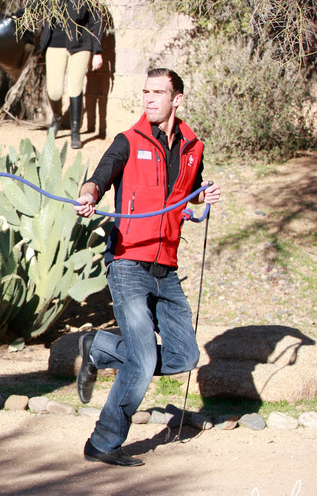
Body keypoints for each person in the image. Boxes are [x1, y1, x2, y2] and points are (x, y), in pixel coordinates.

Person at [73, 68, 222, 467]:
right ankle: (104, 443)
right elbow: (98, 178)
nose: (149, 99)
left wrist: (205, 196)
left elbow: (191, 195)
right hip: (128, 264)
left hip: (166, 270)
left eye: (159, 92)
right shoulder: (129, 141)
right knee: (142, 360)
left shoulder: (193, 147)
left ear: (178, 100)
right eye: (145, 91)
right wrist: (88, 196)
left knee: (185, 356)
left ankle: (100, 347)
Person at [40, 0, 104, 149]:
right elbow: (34, 9)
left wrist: (97, 52)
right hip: (55, 45)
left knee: (75, 87)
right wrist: (17, 16)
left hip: (80, 46)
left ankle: (75, 133)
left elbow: (96, 22)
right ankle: (57, 117)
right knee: (54, 90)